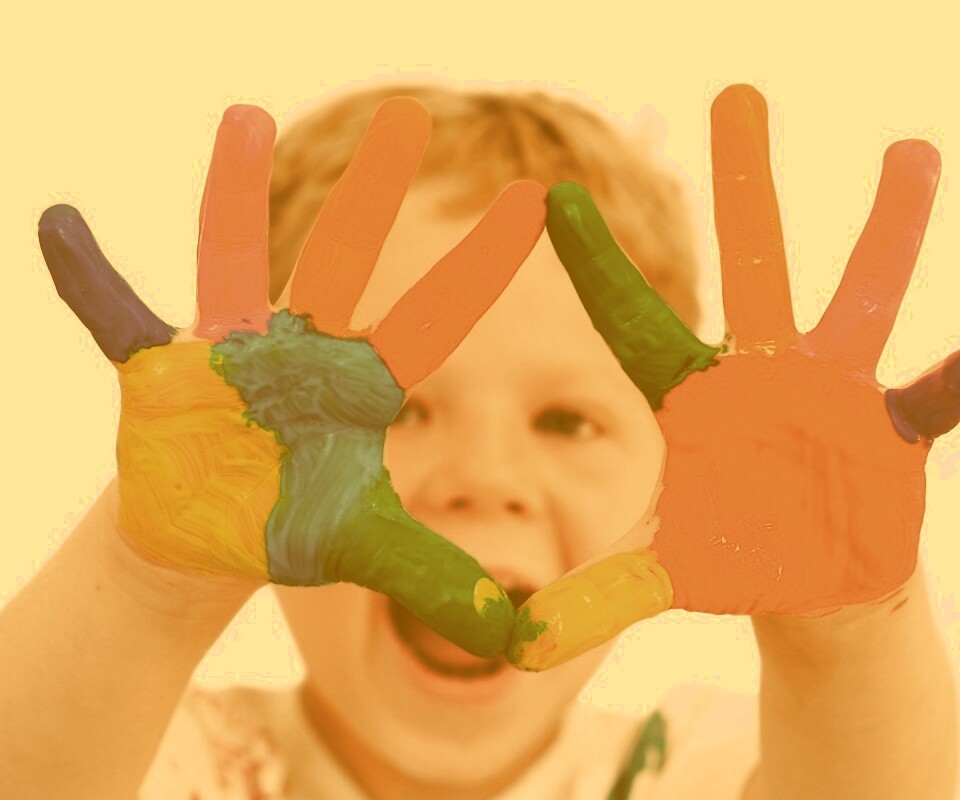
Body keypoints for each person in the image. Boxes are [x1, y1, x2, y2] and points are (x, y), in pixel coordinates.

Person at [1, 79, 955, 800]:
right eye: (397, 411)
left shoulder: (694, 770)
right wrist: (152, 581)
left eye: (566, 421)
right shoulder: (152, 760)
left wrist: (846, 633)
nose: (487, 478)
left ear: (667, 477)